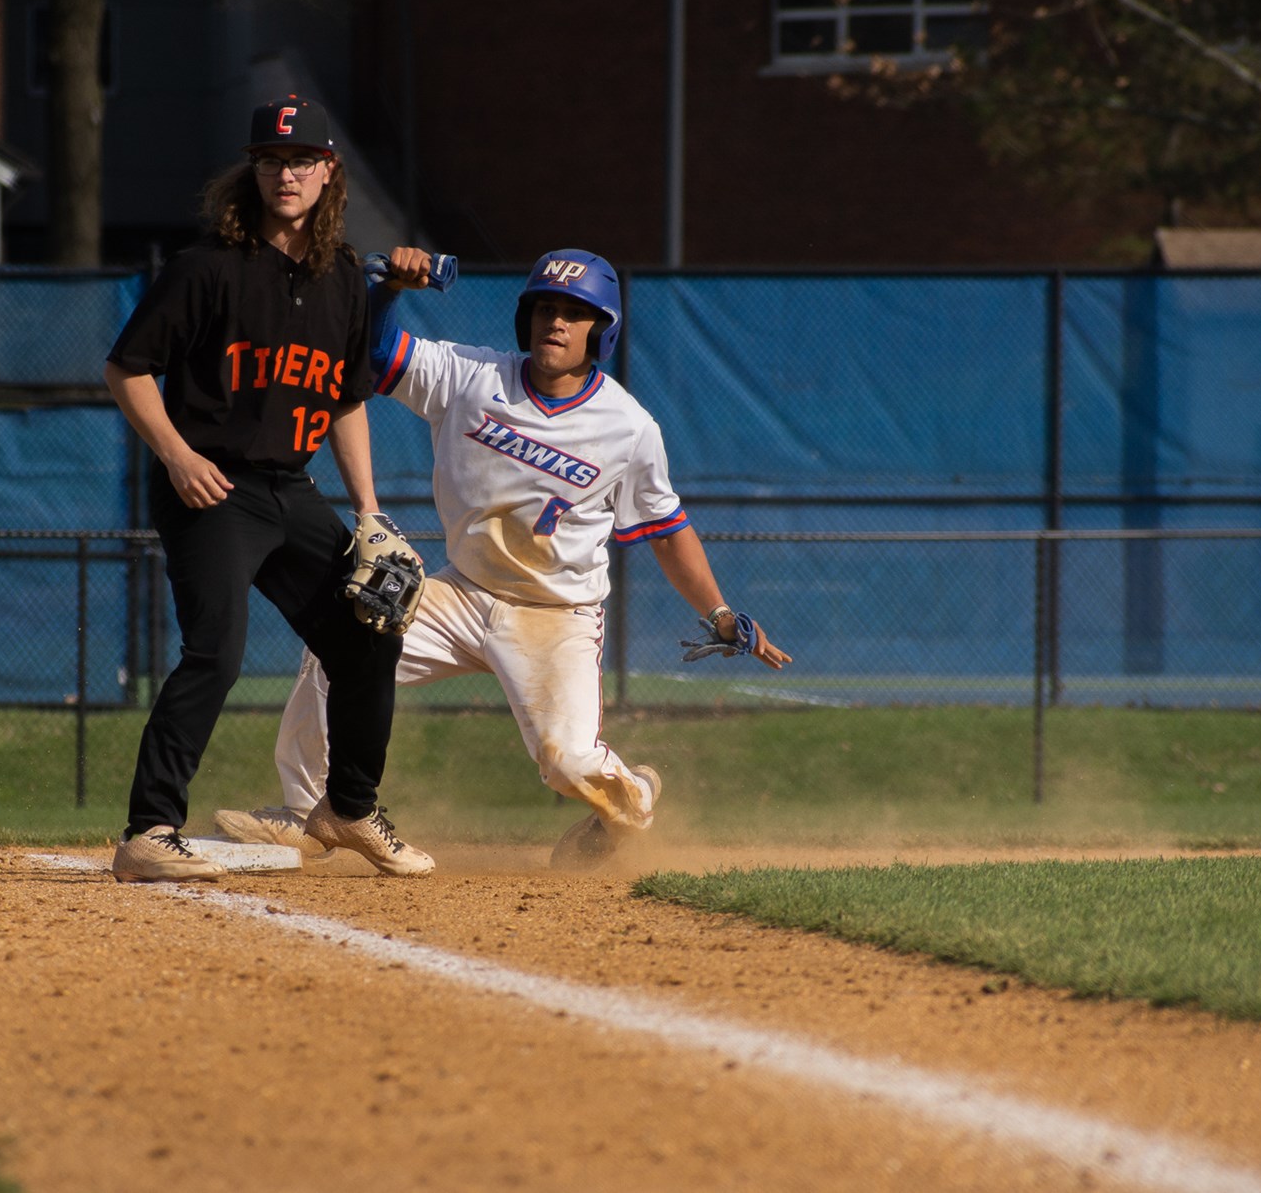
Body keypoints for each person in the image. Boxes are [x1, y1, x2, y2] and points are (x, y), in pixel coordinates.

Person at [216, 246, 791, 870]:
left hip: (556, 613)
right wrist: (388, 292)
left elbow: (667, 529)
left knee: (567, 761)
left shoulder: (628, 427)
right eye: (546, 307)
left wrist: (722, 611)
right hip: (461, 591)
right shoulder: (471, 375)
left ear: (602, 329)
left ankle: (635, 799)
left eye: (576, 312)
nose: (557, 322)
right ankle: (307, 811)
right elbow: (375, 358)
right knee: (339, 644)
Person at [102, 96, 433, 882]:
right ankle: (148, 831)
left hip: (293, 491)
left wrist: (369, 510)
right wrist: (177, 456)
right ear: (251, 172)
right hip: (211, 488)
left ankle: (348, 807)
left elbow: (345, 398)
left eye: (301, 160)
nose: (285, 173)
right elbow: (127, 367)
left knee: (368, 638)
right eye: (270, 159)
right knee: (216, 652)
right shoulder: (206, 268)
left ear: (329, 173)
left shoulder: (345, 278)